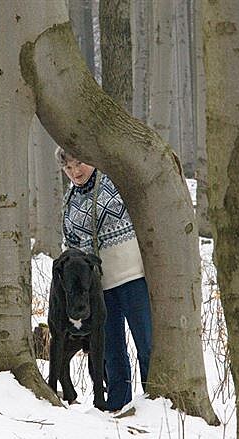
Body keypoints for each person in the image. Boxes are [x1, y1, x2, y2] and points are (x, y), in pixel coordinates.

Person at [55, 147, 152, 412]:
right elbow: (71, 244)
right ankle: (118, 402)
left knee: (145, 340)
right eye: (68, 168)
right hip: (98, 287)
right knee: (110, 347)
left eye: (79, 164)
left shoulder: (114, 181)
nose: (75, 172)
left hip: (131, 276)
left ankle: (154, 398)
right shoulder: (69, 200)